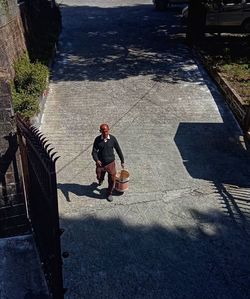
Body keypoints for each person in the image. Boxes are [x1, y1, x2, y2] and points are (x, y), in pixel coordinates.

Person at [92, 124, 125, 202]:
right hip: (101, 164)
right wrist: (97, 160)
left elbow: (118, 150)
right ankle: (101, 180)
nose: (105, 133)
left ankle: (109, 193)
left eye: (106, 131)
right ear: (100, 131)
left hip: (110, 163)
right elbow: (94, 152)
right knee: (99, 176)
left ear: (108, 130)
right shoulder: (97, 140)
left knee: (112, 179)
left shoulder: (113, 139)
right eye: (103, 131)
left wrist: (122, 161)